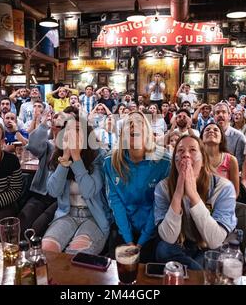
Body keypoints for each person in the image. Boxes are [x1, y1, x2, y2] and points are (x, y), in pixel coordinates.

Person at [154, 134, 237, 269]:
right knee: (163, 249)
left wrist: (193, 195)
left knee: (215, 258)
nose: (186, 155)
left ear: (203, 160)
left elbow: (215, 240)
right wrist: (178, 193)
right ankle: (197, 272)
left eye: (192, 150)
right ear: (174, 160)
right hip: (181, 243)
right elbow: (168, 237)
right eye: (180, 150)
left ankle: (191, 271)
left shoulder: (223, 187)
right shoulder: (163, 187)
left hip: (209, 245)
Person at [42, 107, 112, 255]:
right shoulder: (58, 155)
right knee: (47, 249)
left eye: (78, 130)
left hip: (94, 216)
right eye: (68, 130)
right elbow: (53, 191)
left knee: (76, 254)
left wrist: (77, 158)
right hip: (66, 214)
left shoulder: (99, 155)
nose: (72, 134)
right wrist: (66, 158)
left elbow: (89, 191)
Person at [104, 111, 171, 262]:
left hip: (152, 228)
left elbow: (159, 206)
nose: (134, 126)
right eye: (129, 124)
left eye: (140, 123)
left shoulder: (164, 162)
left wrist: (141, 242)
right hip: (123, 227)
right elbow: (115, 202)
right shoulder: (110, 161)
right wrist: (128, 240)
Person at [201, 122, 239, 197]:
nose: (211, 131)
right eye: (207, 130)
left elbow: (235, 192)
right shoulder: (195, 159)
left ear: (221, 138)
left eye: (215, 130)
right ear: (201, 138)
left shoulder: (231, 160)